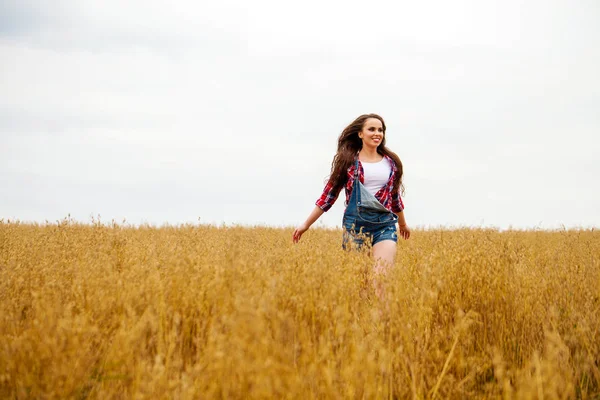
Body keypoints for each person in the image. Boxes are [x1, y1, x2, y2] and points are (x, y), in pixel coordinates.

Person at [292, 113, 410, 274]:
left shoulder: (391, 163)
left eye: (380, 130)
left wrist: (402, 224)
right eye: (372, 129)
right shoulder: (348, 162)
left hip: (385, 226)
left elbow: (395, 197)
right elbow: (328, 196)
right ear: (360, 134)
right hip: (355, 227)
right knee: (360, 282)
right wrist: (305, 225)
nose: (377, 133)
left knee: (382, 277)